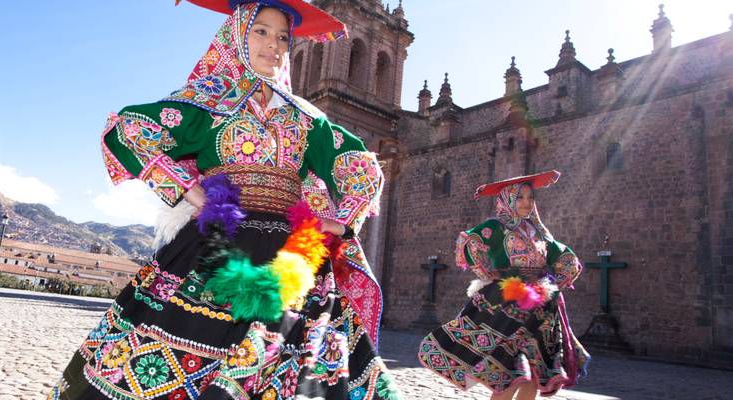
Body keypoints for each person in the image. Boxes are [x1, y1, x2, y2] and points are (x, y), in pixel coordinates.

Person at [49, 1, 398, 399]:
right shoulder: (208, 103)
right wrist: (188, 188)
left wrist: (340, 221)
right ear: (236, 33)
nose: (275, 45)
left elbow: (361, 167)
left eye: (283, 37)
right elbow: (129, 129)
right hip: (212, 246)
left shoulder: (307, 119)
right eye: (261, 32)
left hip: (291, 259)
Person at [418, 171, 589, 400]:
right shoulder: (497, 226)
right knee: (509, 370)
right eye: (520, 198)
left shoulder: (538, 231)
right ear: (507, 199)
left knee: (534, 374)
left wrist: (555, 281)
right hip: (509, 303)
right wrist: (486, 273)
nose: (526, 203)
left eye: (530, 197)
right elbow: (471, 241)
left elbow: (564, 258)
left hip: (541, 306)